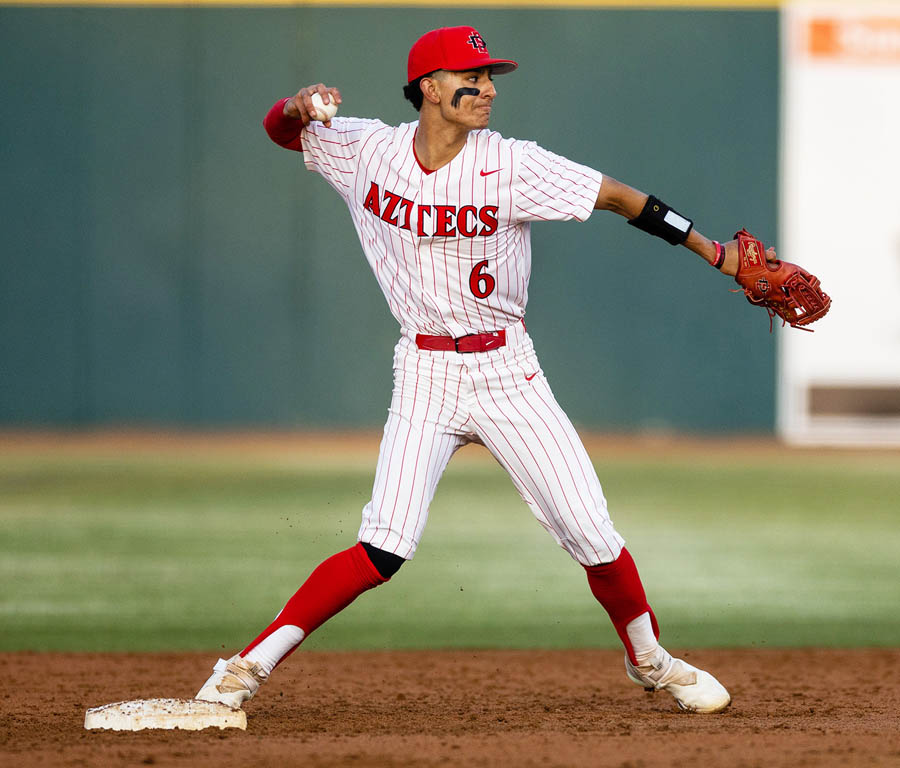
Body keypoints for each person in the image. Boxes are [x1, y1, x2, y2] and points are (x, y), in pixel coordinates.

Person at [197, 25, 756, 714]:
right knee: (382, 547)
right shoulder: (366, 148)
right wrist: (297, 105)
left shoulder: (512, 163)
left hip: (506, 371)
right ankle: (242, 670)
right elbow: (282, 132)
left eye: (490, 77)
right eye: (472, 75)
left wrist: (715, 252)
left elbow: (619, 197)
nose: (487, 88)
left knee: (592, 535)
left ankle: (651, 660)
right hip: (425, 372)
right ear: (429, 88)